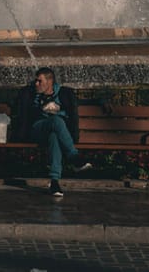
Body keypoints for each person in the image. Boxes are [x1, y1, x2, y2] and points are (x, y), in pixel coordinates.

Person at [13, 67, 91, 199]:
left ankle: (54, 182)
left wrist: (101, 101)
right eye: (36, 81)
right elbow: (11, 102)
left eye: (40, 81)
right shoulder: (30, 93)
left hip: (55, 131)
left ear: (49, 81)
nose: (36, 84)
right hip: (37, 129)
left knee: (54, 136)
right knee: (56, 120)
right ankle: (73, 156)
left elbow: (80, 102)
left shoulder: (64, 93)